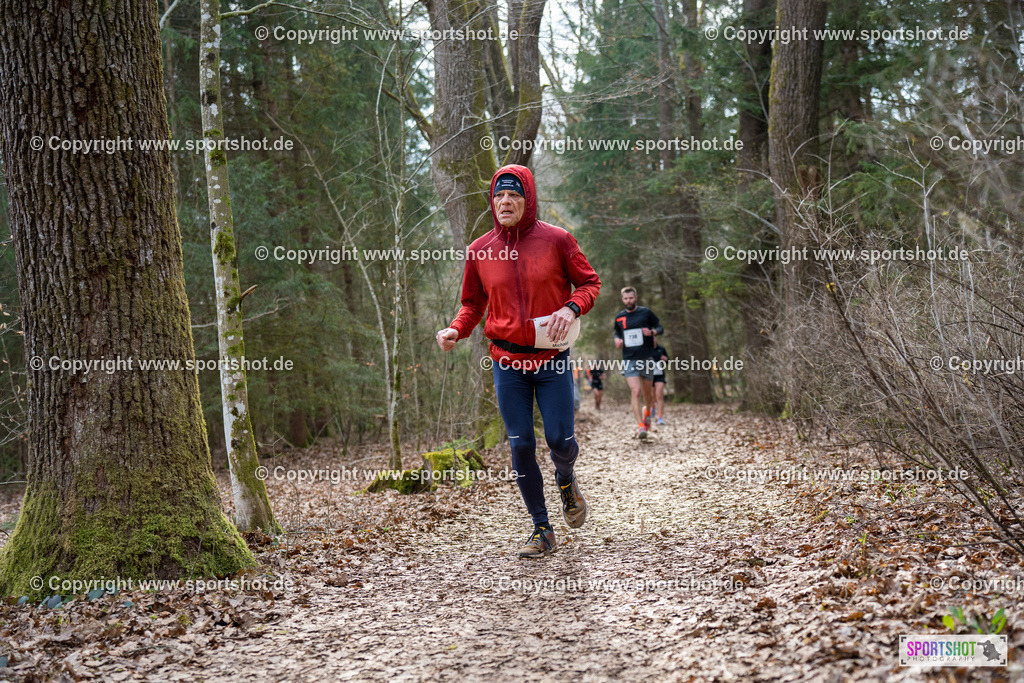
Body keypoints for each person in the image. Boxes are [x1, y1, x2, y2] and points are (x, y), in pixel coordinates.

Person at [436, 164, 601, 559]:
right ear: (492, 201)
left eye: (514, 195)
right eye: (499, 195)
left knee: (560, 440)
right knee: (521, 444)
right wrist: (456, 329)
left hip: (552, 358)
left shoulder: (557, 240)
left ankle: (566, 480)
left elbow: (589, 283)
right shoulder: (479, 250)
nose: (505, 202)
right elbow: (472, 304)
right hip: (507, 362)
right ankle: (541, 528)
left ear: (529, 200)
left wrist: (571, 308)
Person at [613, 286, 662, 439]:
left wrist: (652, 332)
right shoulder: (619, 317)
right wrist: (617, 340)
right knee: (636, 391)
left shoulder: (646, 313)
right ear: (622, 299)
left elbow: (660, 328)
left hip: (646, 358)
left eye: (631, 298)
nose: (628, 301)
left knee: (648, 395)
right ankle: (641, 426)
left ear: (635, 298)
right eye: (626, 298)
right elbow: (616, 333)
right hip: (629, 359)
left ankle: (647, 413)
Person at [652, 343, 668, 425]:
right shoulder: (646, 348)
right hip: (649, 375)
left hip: (660, 375)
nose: (653, 339)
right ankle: (652, 408)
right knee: (652, 396)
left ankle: (660, 417)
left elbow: (668, 361)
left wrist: (665, 359)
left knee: (659, 395)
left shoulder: (661, 348)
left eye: (654, 337)